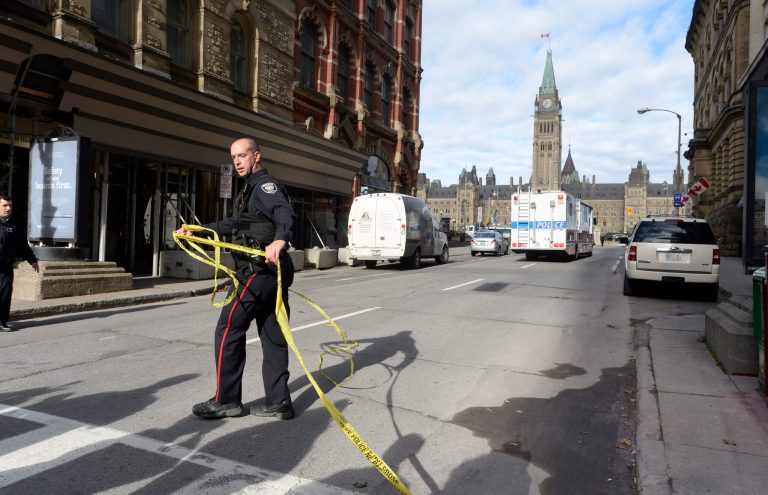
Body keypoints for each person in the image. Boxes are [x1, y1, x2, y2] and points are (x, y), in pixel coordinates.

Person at [178, 138, 296, 420]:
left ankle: (227, 400)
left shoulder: (266, 187)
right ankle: (279, 402)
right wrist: (200, 230)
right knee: (273, 336)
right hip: (269, 273)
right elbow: (232, 225)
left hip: (260, 271)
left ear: (257, 156)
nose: (238, 162)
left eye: (242, 156)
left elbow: (283, 212)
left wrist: (280, 239)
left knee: (228, 328)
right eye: (234, 157)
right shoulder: (249, 190)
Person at [0, 194, 39, 332]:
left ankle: (2, 321)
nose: (8, 208)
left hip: (5, 266)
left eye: (10, 205)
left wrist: (32, 260)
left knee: (4, 293)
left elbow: (22, 245)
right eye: (5, 205)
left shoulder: (15, 224)